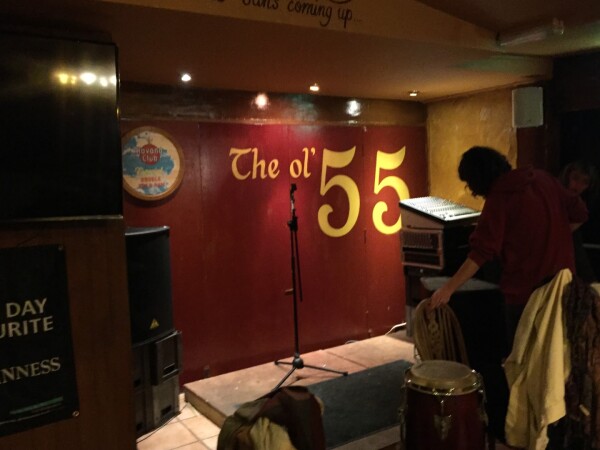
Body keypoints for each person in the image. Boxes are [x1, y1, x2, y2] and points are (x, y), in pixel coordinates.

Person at [429, 146, 588, 349]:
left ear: (478, 179)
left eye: (469, 183)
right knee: (559, 356)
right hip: (564, 287)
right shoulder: (542, 179)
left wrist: (448, 289)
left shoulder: (499, 199)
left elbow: (480, 254)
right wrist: (556, 233)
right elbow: (580, 212)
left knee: (523, 357)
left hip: (526, 294)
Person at [560, 160, 599, 282]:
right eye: (575, 178)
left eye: (585, 182)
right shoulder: (555, 195)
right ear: (567, 176)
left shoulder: (582, 206)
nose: (578, 186)